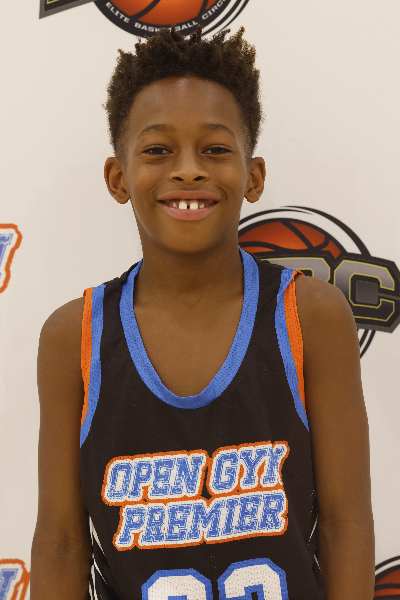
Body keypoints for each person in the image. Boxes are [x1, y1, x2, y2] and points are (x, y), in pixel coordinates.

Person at [30, 26, 375, 600]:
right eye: (157, 150)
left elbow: (345, 523)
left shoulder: (310, 316)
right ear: (118, 178)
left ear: (253, 176)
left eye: (215, 149)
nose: (188, 170)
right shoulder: (76, 336)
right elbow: (62, 543)